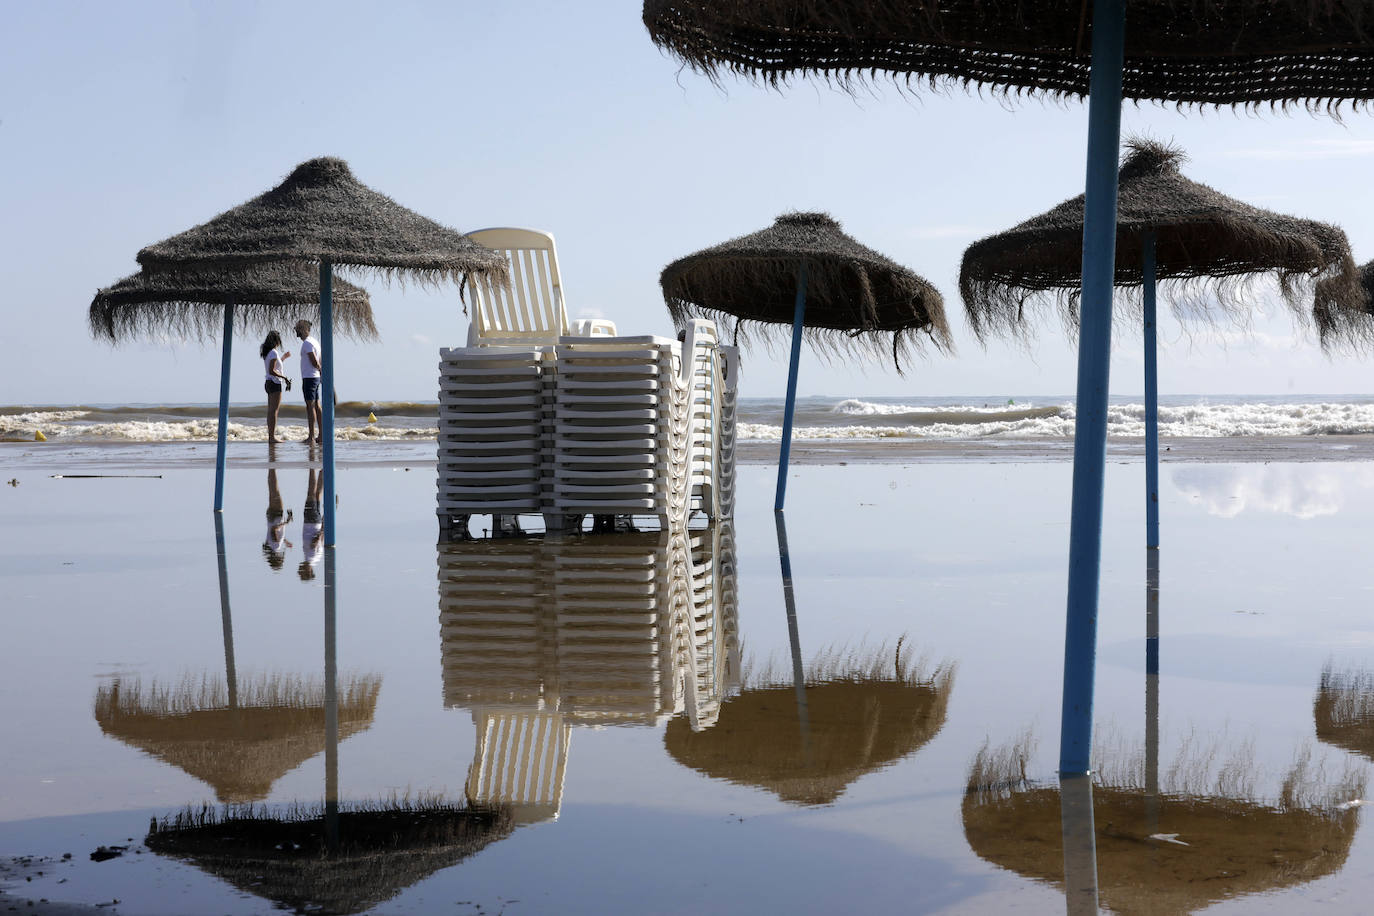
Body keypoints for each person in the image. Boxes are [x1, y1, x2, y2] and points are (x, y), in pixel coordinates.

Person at [294, 319, 323, 445]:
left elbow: (315, 361)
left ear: (304, 329)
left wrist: (319, 369)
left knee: (310, 406)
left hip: (309, 377)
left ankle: (311, 436)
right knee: (316, 405)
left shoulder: (307, 343)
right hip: (315, 377)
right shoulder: (315, 341)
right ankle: (321, 434)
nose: (297, 332)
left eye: (298, 329)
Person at [260, 331, 292, 444]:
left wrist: (283, 358)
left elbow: (275, 366)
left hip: (269, 382)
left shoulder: (268, 352)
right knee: (274, 411)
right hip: (274, 382)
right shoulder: (273, 352)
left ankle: (271, 436)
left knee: (271, 411)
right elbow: (272, 370)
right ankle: (272, 437)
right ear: (276, 341)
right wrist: (285, 377)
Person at [262, 467, 293, 570]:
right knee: (271, 488)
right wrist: (284, 540)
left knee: (274, 487)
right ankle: (271, 464)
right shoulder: (271, 547)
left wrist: (286, 522)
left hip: (276, 515)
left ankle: (272, 462)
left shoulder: (275, 546)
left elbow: (274, 529)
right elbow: (275, 534)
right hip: (270, 515)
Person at [298, 466, 324, 580]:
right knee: (311, 493)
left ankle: (324, 471)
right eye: (301, 573)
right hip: (310, 522)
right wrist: (319, 534)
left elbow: (321, 539)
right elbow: (316, 540)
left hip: (316, 522)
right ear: (309, 571)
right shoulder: (310, 556)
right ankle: (312, 465)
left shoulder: (317, 559)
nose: (299, 571)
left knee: (317, 495)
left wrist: (323, 525)